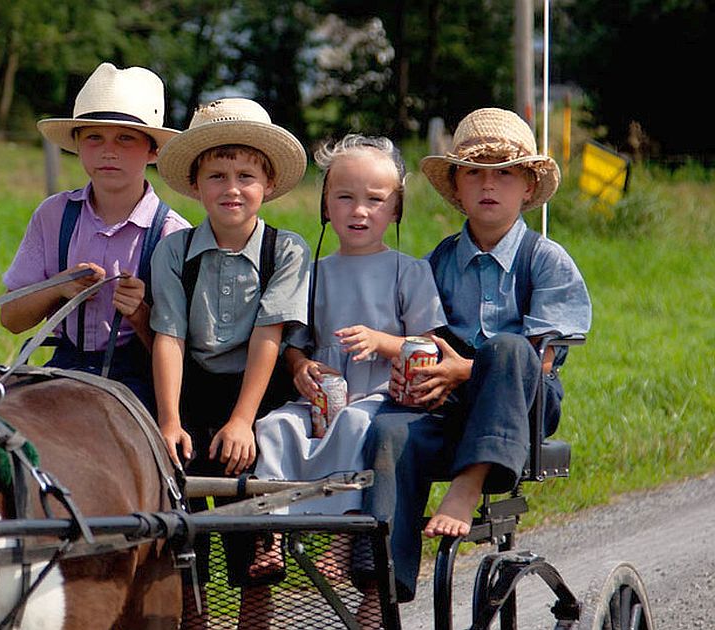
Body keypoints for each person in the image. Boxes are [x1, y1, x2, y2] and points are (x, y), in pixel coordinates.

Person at [362, 107, 592, 603]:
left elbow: (543, 360)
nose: (490, 186)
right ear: (458, 190)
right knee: (388, 430)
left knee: (509, 348)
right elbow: (416, 334)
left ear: (527, 188)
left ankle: (469, 482)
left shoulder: (544, 259)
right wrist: (416, 366)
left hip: (523, 404)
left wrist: (463, 369)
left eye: (505, 174)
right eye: (475, 174)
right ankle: (381, 582)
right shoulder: (440, 261)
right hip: (448, 406)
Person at [251, 136, 446, 625]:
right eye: (344, 197)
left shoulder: (409, 271)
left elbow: (427, 345)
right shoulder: (314, 273)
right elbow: (296, 340)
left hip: (382, 393)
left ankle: (342, 537)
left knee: (358, 426)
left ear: (396, 209)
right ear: (325, 205)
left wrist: (383, 342)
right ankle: (270, 532)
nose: (359, 211)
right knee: (273, 428)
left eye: (375, 200)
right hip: (324, 393)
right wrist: (300, 368)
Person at [150, 97, 311, 629]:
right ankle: (193, 618)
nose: (232, 188)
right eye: (217, 175)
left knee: (248, 496)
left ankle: (255, 608)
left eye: (246, 175)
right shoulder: (174, 251)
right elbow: (168, 336)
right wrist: (170, 419)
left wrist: (243, 420)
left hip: (257, 390)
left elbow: (270, 334)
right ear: (196, 186)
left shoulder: (284, 250)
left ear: (267, 184)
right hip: (190, 388)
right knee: (183, 504)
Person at [0, 63, 189, 411]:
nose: (108, 151)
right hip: (63, 365)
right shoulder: (53, 215)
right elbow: (11, 319)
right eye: (94, 138)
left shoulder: (172, 233)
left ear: (153, 151)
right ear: (78, 146)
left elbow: (182, 353)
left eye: (125, 138)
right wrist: (57, 287)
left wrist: (140, 314)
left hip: (138, 381)